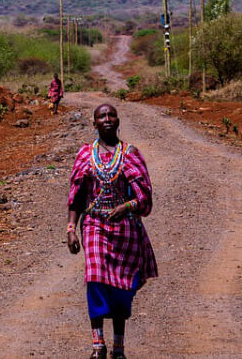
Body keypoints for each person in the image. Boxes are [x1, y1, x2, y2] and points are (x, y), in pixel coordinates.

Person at [66, 103, 158, 359]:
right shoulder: (85, 154)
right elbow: (77, 196)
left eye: (111, 115)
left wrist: (125, 206)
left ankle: (119, 347)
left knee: (121, 286)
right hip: (94, 224)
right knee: (94, 278)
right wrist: (71, 228)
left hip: (125, 228)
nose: (106, 119)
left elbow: (145, 197)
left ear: (118, 121)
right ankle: (98, 345)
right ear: (94, 123)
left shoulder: (130, 154)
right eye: (101, 116)